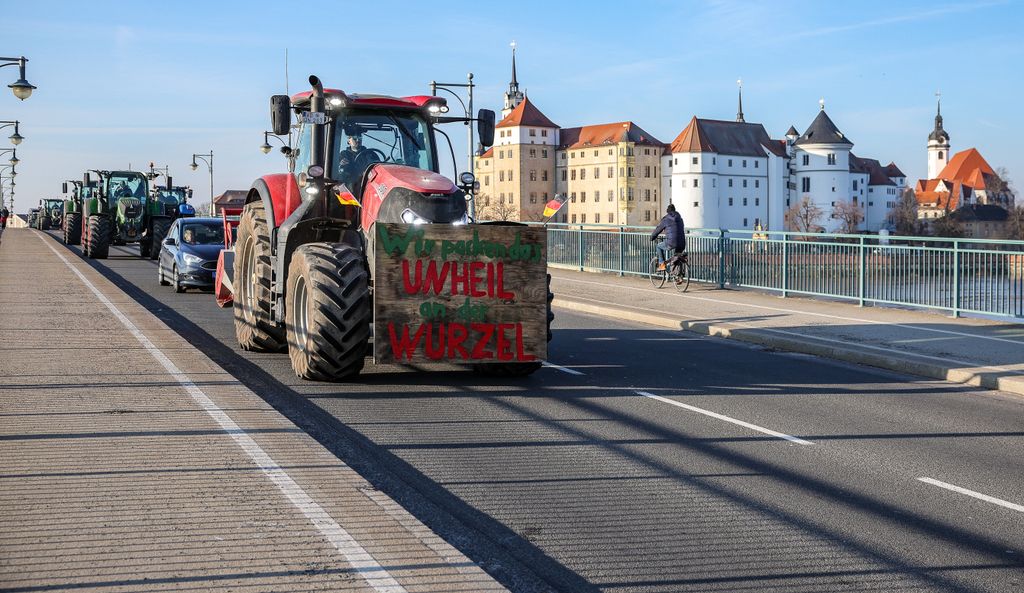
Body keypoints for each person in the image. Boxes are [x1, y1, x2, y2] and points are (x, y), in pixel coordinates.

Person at [650, 203, 686, 272]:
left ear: (668, 212)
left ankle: (662, 264)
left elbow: (658, 230)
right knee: (677, 256)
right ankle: (679, 275)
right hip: (682, 243)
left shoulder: (665, 219)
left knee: (658, 246)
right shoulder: (680, 219)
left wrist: (652, 237)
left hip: (672, 242)